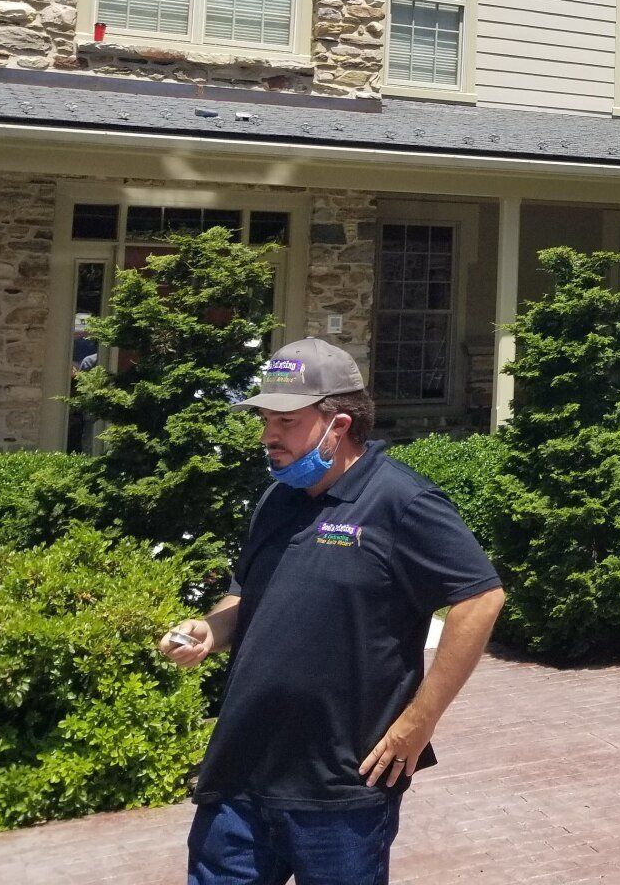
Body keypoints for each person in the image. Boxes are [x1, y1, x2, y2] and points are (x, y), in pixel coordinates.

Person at [160, 337, 505, 884]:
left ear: (338, 425)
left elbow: (480, 598)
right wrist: (211, 629)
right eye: (265, 421)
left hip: (340, 790)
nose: (268, 436)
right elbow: (248, 594)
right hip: (240, 774)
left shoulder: (400, 500)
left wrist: (418, 722)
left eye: (286, 422)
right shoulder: (277, 498)